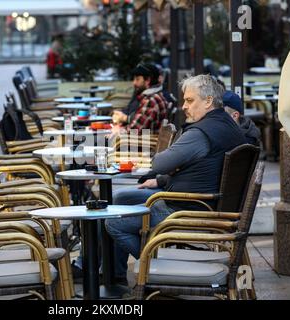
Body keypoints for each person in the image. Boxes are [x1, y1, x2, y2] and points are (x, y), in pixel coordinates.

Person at [105, 75, 247, 282]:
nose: (184, 106)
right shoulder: (228, 125)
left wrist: (171, 165)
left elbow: (160, 164)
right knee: (120, 199)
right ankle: (114, 275)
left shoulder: (201, 133)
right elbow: (188, 164)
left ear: (208, 101)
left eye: (190, 100)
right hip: (208, 202)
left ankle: (156, 267)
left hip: (187, 208)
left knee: (114, 222)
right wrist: (169, 172)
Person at [111, 63, 168, 136]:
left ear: (148, 80)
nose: (134, 83)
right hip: (142, 142)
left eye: (137, 79)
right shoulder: (156, 95)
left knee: (102, 139)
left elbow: (134, 131)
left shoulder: (151, 100)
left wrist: (118, 130)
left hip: (142, 145)